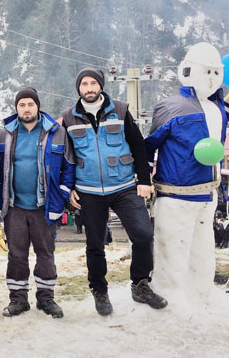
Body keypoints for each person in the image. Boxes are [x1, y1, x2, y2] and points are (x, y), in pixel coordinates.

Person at [145, 42, 229, 303]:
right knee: (172, 249)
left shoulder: (216, 109)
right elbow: (148, 146)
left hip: (208, 193)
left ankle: (202, 291)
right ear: (188, 71)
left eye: (216, 73)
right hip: (175, 193)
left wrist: (227, 106)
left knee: (203, 251)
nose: (212, 79)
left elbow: (214, 136)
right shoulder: (169, 107)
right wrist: (143, 176)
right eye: (207, 72)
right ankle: (170, 293)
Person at [63, 68, 167, 316]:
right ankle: (100, 291)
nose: (89, 88)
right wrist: (69, 190)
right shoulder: (68, 118)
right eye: (84, 84)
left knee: (143, 235)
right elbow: (65, 158)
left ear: (101, 86)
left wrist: (144, 179)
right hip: (88, 191)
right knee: (95, 244)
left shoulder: (120, 111)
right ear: (78, 88)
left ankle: (140, 284)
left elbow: (139, 146)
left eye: (93, 83)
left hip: (123, 187)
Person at [0, 87, 74, 318]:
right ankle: (18, 300)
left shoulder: (56, 132)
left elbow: (69, 166)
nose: (26, 108)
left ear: (37, 106)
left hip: (45, 206)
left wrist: (62, 193)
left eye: (30, 104)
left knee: (45, 252)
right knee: (16, 255)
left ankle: (46, 298)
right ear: (17, 108)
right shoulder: (6, 133)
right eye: (22, 105)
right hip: (15, 207)